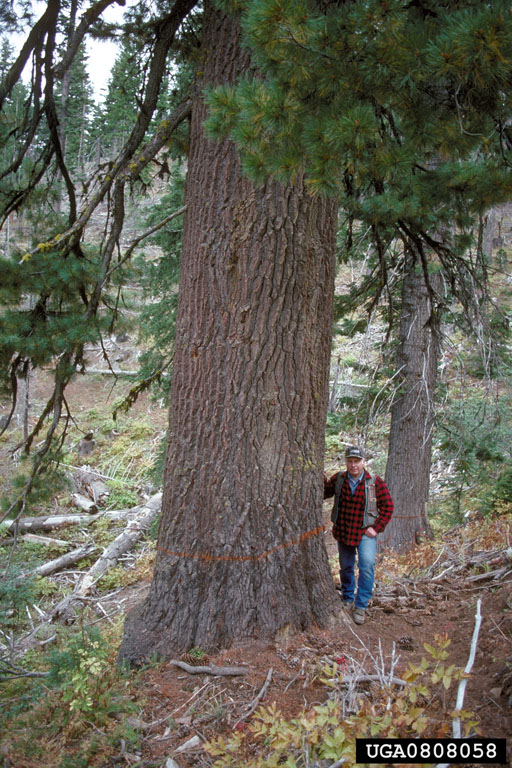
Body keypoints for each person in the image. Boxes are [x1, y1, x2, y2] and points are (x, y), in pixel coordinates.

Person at [324, 445, 394, 625]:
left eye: (357, 461)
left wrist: (376, 528)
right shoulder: (339, 479)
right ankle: (347, 598)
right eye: (350, 461)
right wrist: (319, 480)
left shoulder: (375, 482)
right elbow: (324, 493)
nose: (353, 465)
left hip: (365, 533)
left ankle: (361, 605)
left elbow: (388, 507)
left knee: (366, 566)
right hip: (344, 531)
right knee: (346, 566)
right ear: (346, 462)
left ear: (363, 462)